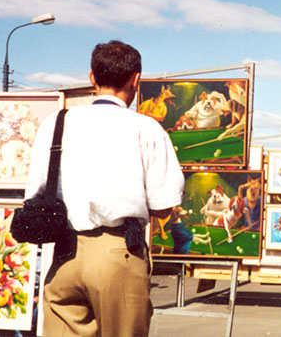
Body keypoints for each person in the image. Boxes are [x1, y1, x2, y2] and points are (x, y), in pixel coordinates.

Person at [24, 40, 184, 336]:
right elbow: (163, 206)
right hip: (119, 253)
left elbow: (35, 195)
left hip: (64, 255)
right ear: (136, 79)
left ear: (92, 77)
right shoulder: (146, 128)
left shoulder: (56, 123)